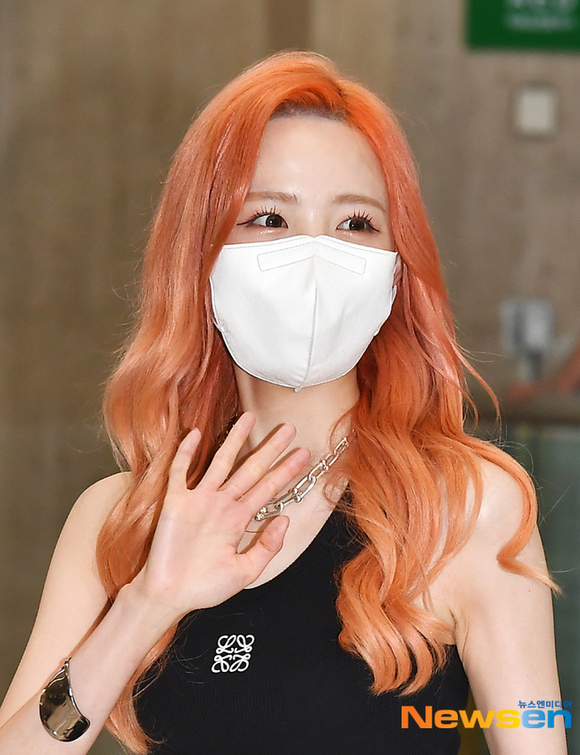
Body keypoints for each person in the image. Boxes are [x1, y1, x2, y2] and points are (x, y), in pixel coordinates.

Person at [0, 51, 567, 755]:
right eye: (269, 217)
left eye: (355, 223)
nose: (315, 256)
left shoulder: (462, 508)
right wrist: (145, 604)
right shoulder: (120, 518)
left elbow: (535, 735)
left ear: (396, 269)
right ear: (200, 257)